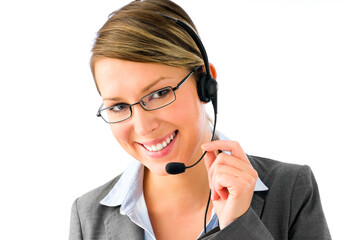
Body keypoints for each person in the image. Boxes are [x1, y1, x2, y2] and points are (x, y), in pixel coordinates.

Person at [69, 0, 331, 239]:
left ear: (205, 83)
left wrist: (239, 226)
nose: (143, 126)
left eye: (159, 94)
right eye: (118, 107)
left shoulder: (292, 191)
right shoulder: (87, 216)